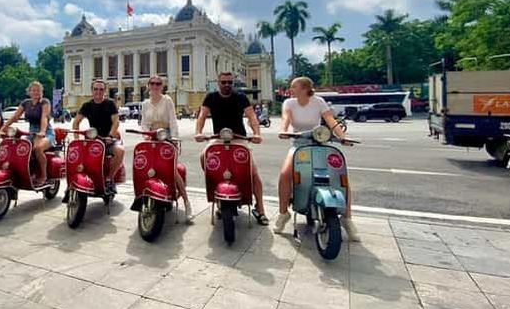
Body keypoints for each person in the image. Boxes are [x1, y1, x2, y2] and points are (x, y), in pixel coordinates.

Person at [274, 76, 359, 241]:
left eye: (294, 87)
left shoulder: (318, 101)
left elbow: (330, 120)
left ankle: (347, 218)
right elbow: (286, 119)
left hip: (319, 141)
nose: (291, 89)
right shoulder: (289, 103)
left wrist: (342, 137)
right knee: (285, 174)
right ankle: (283, 213)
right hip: (299, 144)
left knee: (342, 177)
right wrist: (283, 130)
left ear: (305, 88)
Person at [195, 72, 269, 225]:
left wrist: (257, 133)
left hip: (238, 139)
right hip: (218, 138)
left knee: (253, 172)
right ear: (218, 82)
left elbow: (252, 117)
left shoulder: (241, 97)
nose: (227, 85)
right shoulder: (211, 97)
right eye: (223, 82)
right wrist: (198, 132)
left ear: (233, 83)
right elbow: (202, 116)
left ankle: (260, 208)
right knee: (204, 157)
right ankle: (217, 189)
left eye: (230, 82)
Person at [140, 75, 194, 223]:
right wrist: (145, 136)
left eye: (158, 84)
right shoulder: (145, 104)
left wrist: (174, 139)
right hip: (152, 136)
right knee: (146, 166)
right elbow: (144, 123)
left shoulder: (167, 100)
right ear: (148, 86)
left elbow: (173, 121)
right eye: (153, 83)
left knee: (172, 169)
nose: (155, 86)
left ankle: (187, 202)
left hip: (167, 135)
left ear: (162, 86)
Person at [72, 79, 125, 193]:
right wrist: (77, 139)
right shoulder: (87, 105)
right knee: (77, 155)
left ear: (105, 91)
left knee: (120, 151)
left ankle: (109, 179)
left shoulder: (110, 103)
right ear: (92, 90)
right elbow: (76, 122)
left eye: (101, 89)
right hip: (93, 139)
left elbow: (116, 121)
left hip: (109, 138)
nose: (98, 92)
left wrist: (110, 136)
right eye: (95, 89)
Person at [1, 81, 55, 185]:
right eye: (33, 90)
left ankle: (43, 175)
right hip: (31, 133)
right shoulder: (26, 103)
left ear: (42, 92)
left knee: (38, 148)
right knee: (18, 147)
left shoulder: (45, 102)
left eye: (38, 90)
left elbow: (44, 117)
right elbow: (15, 116)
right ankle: (25, 171)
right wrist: (3, 128)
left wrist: (42, 131)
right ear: (29, 92)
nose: (36, 92)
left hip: (46, 132)